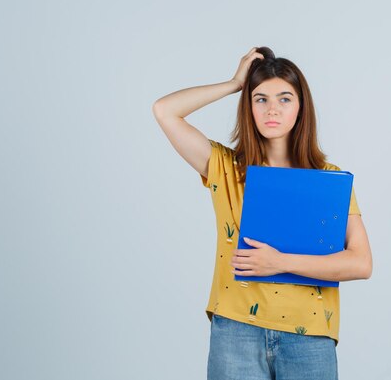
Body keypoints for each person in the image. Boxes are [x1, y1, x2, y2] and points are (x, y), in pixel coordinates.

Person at [152, 46, 372, 380]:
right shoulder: (226, 169)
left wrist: (280, 262)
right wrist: (234, 83)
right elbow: (165, 110)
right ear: (248, 107)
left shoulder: (328, 179)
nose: (272, 109)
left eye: (285, 98)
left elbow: (361, 262)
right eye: (260, 99)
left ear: (301, 108)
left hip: (309, 335)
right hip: (236, 332)